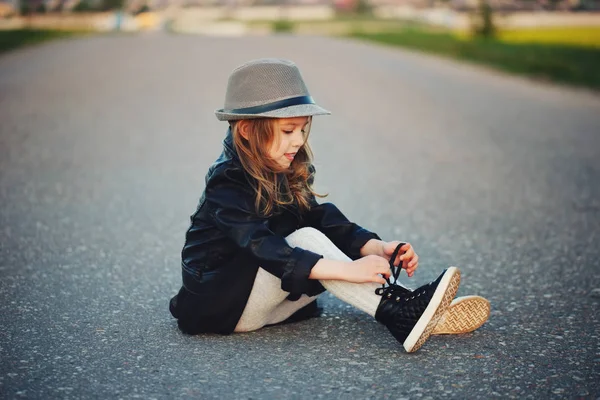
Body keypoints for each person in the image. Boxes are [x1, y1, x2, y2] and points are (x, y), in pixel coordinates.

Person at [169, 58, 489, 353]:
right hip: (221, 308)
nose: (298, 141)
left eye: (302, 129)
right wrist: (347, 269)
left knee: (315, 231)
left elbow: (319, 216)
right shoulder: (227, 180)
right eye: (288, 130)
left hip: (268, 304)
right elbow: (260, 245)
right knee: (307, 243)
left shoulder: (280, 163)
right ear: (248, 130)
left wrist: (374, 248)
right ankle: (402, 311)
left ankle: (414, 308)